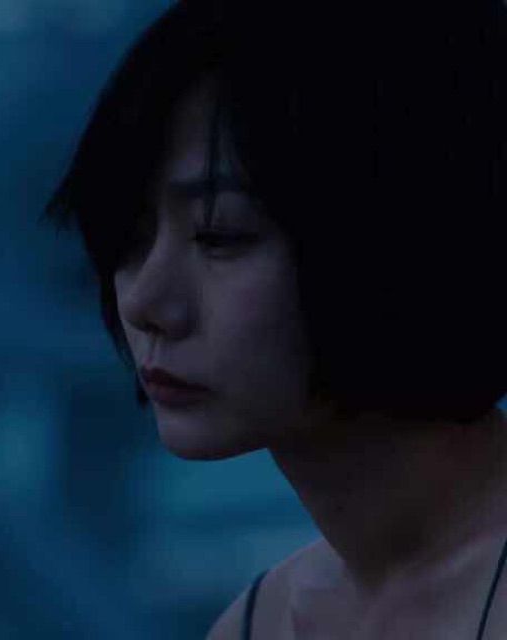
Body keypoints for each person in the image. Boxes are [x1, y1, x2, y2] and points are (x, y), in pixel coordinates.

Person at [43, 1, 507, 637]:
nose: (145, 303)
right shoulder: (257, 622)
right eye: (132, 234)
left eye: (220, 234)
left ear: (401, 233)